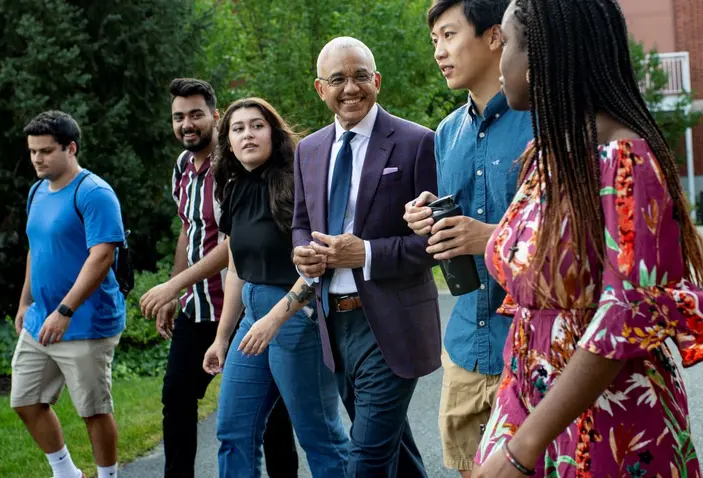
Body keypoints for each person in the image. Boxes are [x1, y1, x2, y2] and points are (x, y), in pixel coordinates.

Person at [467, 0, 703, 476]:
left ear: (543, 55)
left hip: (606, 427)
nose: (497, 59)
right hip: (529, 406)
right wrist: (513, 433)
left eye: (506, 43)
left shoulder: (625, 159)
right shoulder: (549, 154)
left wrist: (524, 448)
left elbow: (625, 316)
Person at [292, 37, 440, 477]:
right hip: (335, 323)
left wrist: (367, 253)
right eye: (338, 79)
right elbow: (301, 220)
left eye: (360, 76)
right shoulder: (309, 150)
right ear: (321, 89)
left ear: (376, 81)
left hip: (391, 324)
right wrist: (304, 255)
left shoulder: (417, 142)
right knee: (394, 450)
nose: (350, 88)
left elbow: (434, 243)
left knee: (368, 459)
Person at [139, 79, 298, 478]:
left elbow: (233, 246)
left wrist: (174, 284)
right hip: (198, 307)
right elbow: (187, 230)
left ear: (215, 116)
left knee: (273, 418)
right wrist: (177, 289)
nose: (187, 124)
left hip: (242, 302)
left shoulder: (231, 170)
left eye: (196, 114)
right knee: (177, 397)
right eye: (178, 117)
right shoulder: (181, 167)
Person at [405, 1, 532, 475]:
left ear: (495, 36)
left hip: (527, 345)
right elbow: (455, 224)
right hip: (463, 344)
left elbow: (569, 236)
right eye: (434, 40)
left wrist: (489, 237)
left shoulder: (542, 121)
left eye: (449, 35)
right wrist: (425, 217)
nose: (439, 51)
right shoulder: (446, 133)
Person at [200, 97, 350, 478]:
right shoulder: (232, 189)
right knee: (233, 430)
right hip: (252, 317)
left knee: (320, 436)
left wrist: (277, 316)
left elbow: (318, 261)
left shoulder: (296, 184)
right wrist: (221, 337)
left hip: (297, 317)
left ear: (273, 133)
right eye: (238, 128)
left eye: (257, 125)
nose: (247, 134)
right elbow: (236, 269)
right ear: (227, 140)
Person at [11, 110, 126, 478]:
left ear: (71, 148)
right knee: (26, 401)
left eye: (45, 151)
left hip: (85, 322)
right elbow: (36, 247)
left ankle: (108, 476)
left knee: (93, 410)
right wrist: (25, 302)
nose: (37, 159)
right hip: (40, 317)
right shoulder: (37, 190)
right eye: (32, 152)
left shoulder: (93, 193)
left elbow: (102, 256)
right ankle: (66, 473)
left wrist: (64, 311)